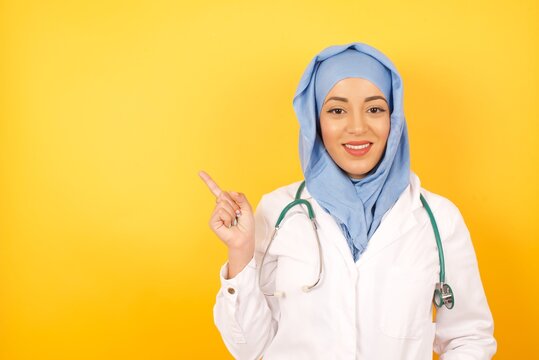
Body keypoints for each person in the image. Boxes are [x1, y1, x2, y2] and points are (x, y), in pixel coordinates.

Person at [199, 42, 497, 359]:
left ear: (394, 119)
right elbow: (250, 349)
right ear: (315, 121)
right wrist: (240, 252)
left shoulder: (438, 218)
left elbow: (469, 338)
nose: (357, 127)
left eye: (375, 109)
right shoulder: (278, 211)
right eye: (337, 110)